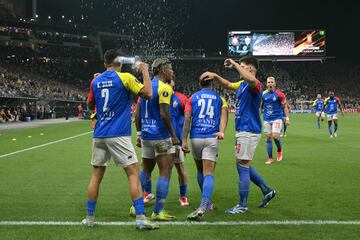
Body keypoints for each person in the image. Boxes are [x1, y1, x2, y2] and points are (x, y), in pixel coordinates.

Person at [83, 49, 158, 230]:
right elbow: (148, 93)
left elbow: (90, 105)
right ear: (121, 63)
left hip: (99, 134)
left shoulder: (96, 80)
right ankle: (140, 218)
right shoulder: (125, 77)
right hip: (118, 134)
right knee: (133, 173)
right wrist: (145, 71)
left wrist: (98, 84)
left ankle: (89, 218)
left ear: (104, 63)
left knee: (96, 176)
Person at [200, 56, 276, 214]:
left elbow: (252, 80)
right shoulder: (242, 85)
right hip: (243, 130)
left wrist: (234, 64)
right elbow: (227, 84)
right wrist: (215, 75)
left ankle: (242, 204)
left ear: (249, 69)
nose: (238, 69)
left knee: (242, 166)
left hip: (248, 131)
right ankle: (266, 190)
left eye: (242, 66)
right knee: (244, 164)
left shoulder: (255, 85)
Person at [135, 58, 179, 221]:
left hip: (146, 135)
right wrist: (173, 135)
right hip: (161, 137)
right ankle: (158, 211)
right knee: (165, 172)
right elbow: (164, 114)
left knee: (145, 171)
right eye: (170, 68)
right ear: (162, 70)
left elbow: (137, 114)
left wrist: (139, 134)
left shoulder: (145, 86)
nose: (172, 71)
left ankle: (136, 206)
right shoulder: (165, 88)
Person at [182, 77, 228, 220]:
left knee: (200, 170)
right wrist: (222, 131)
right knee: (209, 173)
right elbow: (224, 116)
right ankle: (204, 204)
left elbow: (187, 117)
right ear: (212, 84)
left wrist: (184, 140)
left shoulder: (192, 97)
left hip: (196, 137)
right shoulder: (220, 98)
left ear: (199, 84)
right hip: (211, 137)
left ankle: (207, 203)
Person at [261, 77, 290, 164]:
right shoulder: (263, 94)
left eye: (271, 82)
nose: (270, 83)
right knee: (268, 138)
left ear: (274, 84)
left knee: (276, 136)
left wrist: (287, 118)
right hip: (266, 119)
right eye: (268, 82)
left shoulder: (280, 94)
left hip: (277, 118)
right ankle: (270, 158)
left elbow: (285, 106)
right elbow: (261, 106)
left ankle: (279, 150)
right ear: (266, 84)